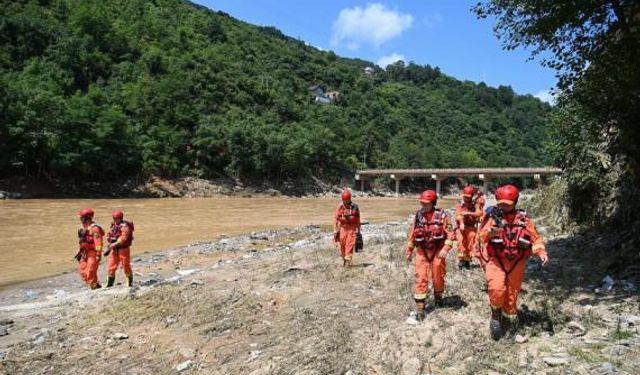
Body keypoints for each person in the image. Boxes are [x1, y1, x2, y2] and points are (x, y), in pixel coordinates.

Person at [477, 184, 549, 340]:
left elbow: (535, 238)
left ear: (515, 202)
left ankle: (508, 321)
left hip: (517, 262)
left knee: (511, 296)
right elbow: (481, 238)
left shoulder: (524, 220)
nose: (503, 207)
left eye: (507, 204)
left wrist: (541, 252)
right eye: (501, 203)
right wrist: (490, 232)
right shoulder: (492, 217)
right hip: (497, 260)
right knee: (496, 289)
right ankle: (495, 316)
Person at [405, 190, 455, 320]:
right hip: (422, 251)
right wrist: (409, 250)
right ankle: (420, 308)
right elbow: (412, 234)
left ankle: (438, 296)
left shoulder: (443, 216)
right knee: (420, 277)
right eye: (422, 203)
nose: (424, 205)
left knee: (438, 275)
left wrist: (446, 247)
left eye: (426, 203)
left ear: (433, 203)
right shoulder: (419, 216)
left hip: (437, 250)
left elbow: (450, 234)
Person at [454, 185, 485, 269]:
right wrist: (461, 223)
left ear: (471, 196)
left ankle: (467, 260)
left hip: (471, 227)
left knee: (471, 241)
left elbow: (479, 213)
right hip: (461, 227)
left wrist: (468, 213)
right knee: (460, 242)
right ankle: (461, 260)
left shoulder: (475, 204)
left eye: (468, 197)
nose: (466, 198)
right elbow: (458, 214)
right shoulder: (459, 204)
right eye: (465, 196)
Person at [76, 208, 104, 290]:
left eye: (81, 217)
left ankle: (94, 287)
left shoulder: (94, 229)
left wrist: (98, 254)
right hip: (84, 253)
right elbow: (82, 241)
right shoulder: (84, 228)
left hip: (93, 253)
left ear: (86, 218)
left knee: (91, 271)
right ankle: (95, 284)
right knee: (82, 271)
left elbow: (98, 242)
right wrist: (80, 251)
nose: (80, 219)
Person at [105, 210, 134, 287]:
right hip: (114, 249)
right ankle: (109, 283)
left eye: (116, 218)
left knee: (125, 265)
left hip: (123, 249)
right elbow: (110, 233)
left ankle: (129, 281)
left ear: (120, 218)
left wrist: (114, 244)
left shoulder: (125, 227)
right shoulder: (113, 225)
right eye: (114, 218)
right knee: (111, 266)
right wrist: (108, 238)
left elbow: (123, 239)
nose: (114, 220)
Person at [333, 189, 361, 267]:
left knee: (349, 245)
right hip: (342, 228)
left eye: (346, 200)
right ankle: (345, 260)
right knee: (342, 245)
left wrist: (359, 231)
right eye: (343, 200)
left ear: (349, 199)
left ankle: (348, 263)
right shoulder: (340, 207)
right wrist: (335, 230)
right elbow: (336, 218)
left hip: (352, 228)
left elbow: (358, 220)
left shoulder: (355, 207)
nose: (344, 201)